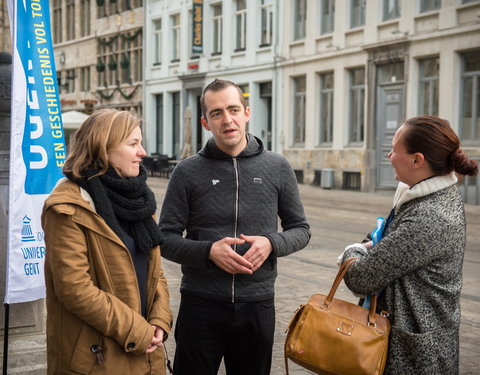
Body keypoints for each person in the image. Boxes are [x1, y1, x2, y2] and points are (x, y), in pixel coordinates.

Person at [158, 79, 311, 375]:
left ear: (247, 112)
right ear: (205, 122)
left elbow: (300, 230)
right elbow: (164, 238)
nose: (227, 119)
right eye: (216, 113)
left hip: (257, 304)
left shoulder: (277, 167)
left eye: (233, 109)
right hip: (201, 304)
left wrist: (271, 243)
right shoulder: (186, 171)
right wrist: (208, 252)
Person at [338, 115, 478, 375]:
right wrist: (372, 245)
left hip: (415, 354)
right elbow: (383, 236)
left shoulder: (430, 215)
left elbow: (359, 278)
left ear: (417, 160)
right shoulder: (423, 196)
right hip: (414, 341)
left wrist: (352, 250)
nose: (389, 155)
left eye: (394, 149)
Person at [42, 109, 172, 375]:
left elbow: (155, 272)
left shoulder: (139, 201)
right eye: (133, 144)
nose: (143, 152)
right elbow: (75, 289)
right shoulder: (67, 206)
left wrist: (160, 320)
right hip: (96, 360)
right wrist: (138, 331)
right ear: (104, 148)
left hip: (147, 353)